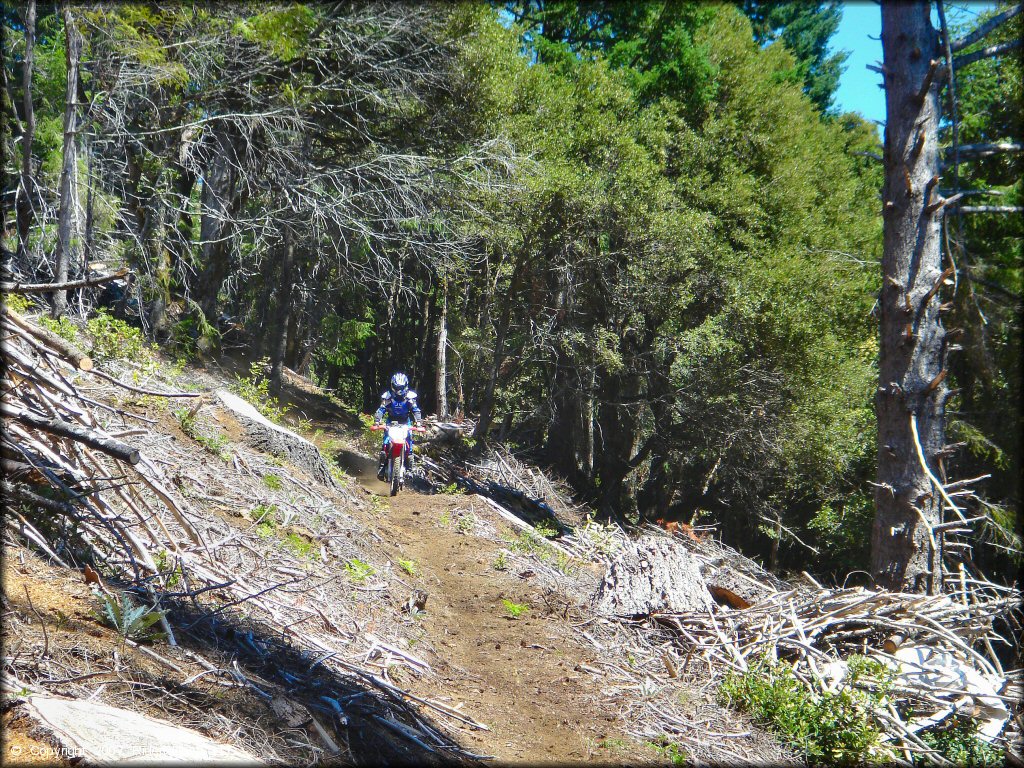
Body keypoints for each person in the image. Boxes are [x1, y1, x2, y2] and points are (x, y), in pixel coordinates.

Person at [373, 372, 422, 480]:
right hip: (391, 422)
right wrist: (377, 422)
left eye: (401, 387)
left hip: (405, 422)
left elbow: (416, 410)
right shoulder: (388, 397)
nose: (399, 390)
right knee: (386, 443)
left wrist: (418, 423)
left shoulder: (410, 397)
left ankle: (410, 469)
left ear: (405, 385)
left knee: (409, 443)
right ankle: (382, 467)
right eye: (396, 387)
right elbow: (381, 410)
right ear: (392, 385)